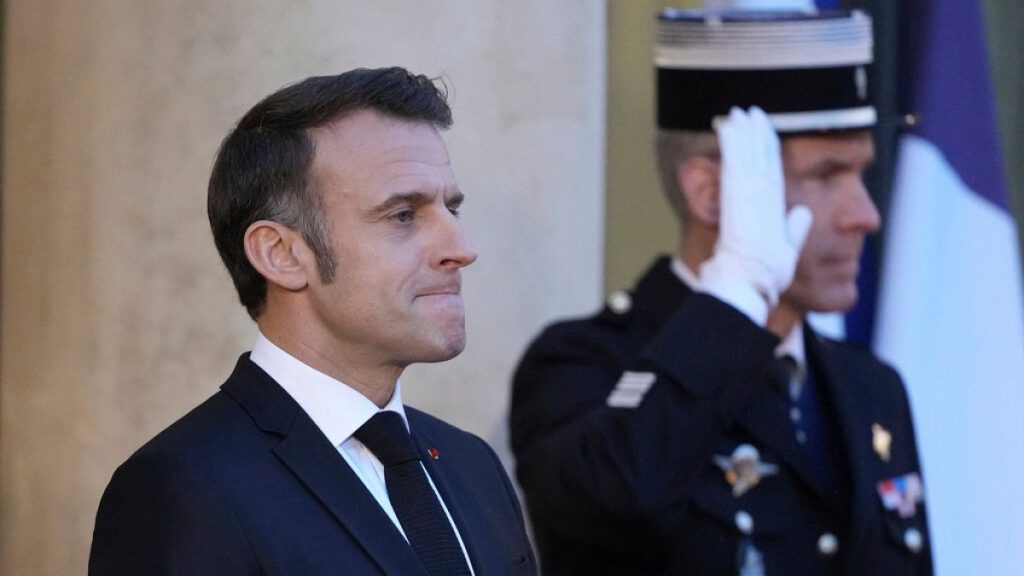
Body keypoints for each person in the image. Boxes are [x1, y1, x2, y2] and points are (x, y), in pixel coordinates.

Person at [510, 6, 932, 575]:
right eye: (828, 176)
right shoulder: (586, 364)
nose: (866, 215)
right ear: (712, 193)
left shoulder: (869, 387)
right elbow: (618, 498)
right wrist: (737, 294)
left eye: (861, 175)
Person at [90, 67, 537, 576]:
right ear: (281, 254)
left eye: (451, 208)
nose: (461, 248)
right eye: (403, 216)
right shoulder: (183, 487)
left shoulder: (473, 466)